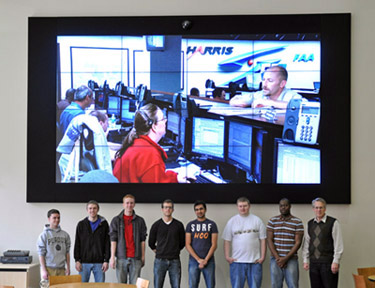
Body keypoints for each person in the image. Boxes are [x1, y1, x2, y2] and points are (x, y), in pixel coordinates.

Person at [113, 103, 194, 183]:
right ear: (154, 126)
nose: (165, 121)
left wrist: (176, 178)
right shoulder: (149, 154)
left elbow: (157, 178)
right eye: (163, 119)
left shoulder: (137, 143)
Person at [222, 197, 266, 288]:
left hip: (254, 262)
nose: (243, 208)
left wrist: (262, 257)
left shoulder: (257, 220)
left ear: (249, 206)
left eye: (245, 206)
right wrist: (227, 257)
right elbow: (227, 240)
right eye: (240, 206)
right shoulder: (232, 221)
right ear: (237, 207)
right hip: (237, 262)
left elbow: (263, 240)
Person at [57, 111, 112, 182]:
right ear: (100, 123)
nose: (108, 125)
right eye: (107, 123)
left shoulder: (79, 139)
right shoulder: (83, 143)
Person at [302, 197, 344, 288]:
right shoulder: (309, 224)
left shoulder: (333, 223)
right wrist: (305, 260)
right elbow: (306, 243)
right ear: (313, 209)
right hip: (313, 263)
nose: (318, 210)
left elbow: (338, 244)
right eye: (316, 208)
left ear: (325, 208)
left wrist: (336, 261)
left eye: (321, 207)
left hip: (328, 263)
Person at [109, 194, 147, 284]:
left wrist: (143, 256)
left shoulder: (140, 221)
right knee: (121, 286)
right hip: (121, 258)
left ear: (134, 204)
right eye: (127, 203)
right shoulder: (116, 220)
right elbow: (113, 240)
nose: (129, 205)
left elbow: (143, 240)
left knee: (135, 286)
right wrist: (112, 257)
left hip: (136, 258)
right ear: (123, 204)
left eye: (131, 203)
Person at [267, 198, 304, 288]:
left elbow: (298, 242)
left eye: (286, 205)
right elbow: (269, 240)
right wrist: (278, 258)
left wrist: (285, 258)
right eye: (281, 206)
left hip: (291, 259)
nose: (283, 207)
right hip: (275, 260)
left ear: (290, 206)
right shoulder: (272, 221)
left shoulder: (297, 222)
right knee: (275, 285)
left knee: (293, 285)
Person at [149, 199, 185, 288]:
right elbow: (151, 242)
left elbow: (182, 242)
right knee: (158, 285)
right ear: (162, 209)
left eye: (170, 207)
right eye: (165, 207)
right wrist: (160, 251)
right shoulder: (156, 225)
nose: (167, 209)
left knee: (176, 286)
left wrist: (174, 250)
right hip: (160, 260)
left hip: (175, 261)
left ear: (173, 209)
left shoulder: (179, 225)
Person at [229, 66, 302, 109]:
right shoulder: (260, 95)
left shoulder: (292, 96)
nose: (264, 84)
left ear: (282, 84)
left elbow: (305, 107)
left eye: (270, 80)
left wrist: (268, 103)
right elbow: (234, 100)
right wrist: (241, 103)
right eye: (263, 80)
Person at [74, 200, 110, 282]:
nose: (92, 210)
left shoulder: (104, 224)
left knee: (100, 287)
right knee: (82, 287)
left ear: (98, 209)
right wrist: (77, 260)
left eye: (94, 208)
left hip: (100, 263)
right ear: (87, 210)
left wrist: (106, 260)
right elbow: (77, 243)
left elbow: (107, 243)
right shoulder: (81, 224)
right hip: (84, 262)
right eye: (90, 208)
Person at [185, 200, 218, 288]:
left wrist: (205, 260)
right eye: (197, 209)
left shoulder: (212, 224)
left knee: (210, 285)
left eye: (201, 209)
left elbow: (214, 244)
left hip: (209, 261)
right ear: (195, 211)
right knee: (193, 285)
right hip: (193, 261)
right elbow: (187, 244)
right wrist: (198, 259)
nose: (199, 211)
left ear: (205, 209)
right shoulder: (190, 225)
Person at [37, 209, 71, 280]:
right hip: (49, 269)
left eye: (58, 218)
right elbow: (41, 254)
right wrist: (43, 270)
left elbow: (67, 253)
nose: (57, 220)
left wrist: (68, 268)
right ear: (49, 219)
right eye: (54, 218)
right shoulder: (43, 235)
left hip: (61, 269)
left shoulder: (65, 235)